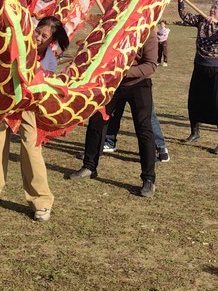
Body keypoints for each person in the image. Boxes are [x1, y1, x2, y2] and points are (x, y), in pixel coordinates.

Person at [0, 15, 67, 220]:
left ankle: (41, 200)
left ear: (51, 41)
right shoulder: (19, 40)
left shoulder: (49, 60)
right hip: (4, 96)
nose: (39, 37)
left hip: (30, 105)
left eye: (45, 36)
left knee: (31, 147)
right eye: (38, 32)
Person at [67, 30, 159, 196]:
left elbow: (151, 65)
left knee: (143, 128)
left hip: (139, 84)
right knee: (97, 122)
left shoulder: (148, 32)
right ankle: (89, 166)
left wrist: (123, 72)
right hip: (111, 84)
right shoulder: (116, 27)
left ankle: (148, 179)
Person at [178, 0, 218, 154]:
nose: (212, 9)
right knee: (193, 101)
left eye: (216, 8)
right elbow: (184, 16)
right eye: (213, 6)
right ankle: (194, 133)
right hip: (200, 66)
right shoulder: (201, 21)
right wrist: (181, 0)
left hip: (217, 70)